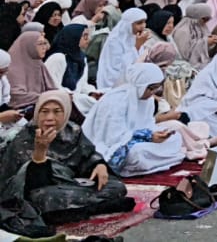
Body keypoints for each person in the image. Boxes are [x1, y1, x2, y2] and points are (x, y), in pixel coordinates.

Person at [0, 89, 134, 228]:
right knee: (44, 199)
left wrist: (99, 165)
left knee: (116, 186)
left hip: (73, 185)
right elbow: (28, 184)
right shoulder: (25, 137)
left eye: (57, 112)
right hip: (42, 191)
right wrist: (40, 151)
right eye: (44, 111)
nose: (50, 117)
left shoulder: (73, 131)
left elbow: (87, 155)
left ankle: (77, 209)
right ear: (37, 113)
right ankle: (99, 207)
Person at [82, 62, 188, 177]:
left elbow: (148, 125)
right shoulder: (116, 101)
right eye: (151, 88)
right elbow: (112, 138)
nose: (152, 93)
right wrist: (147, 136)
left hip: (139, 141)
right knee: (137, 153)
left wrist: (157, 134)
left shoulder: (148, 101)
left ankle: (153, 162)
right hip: (115, 146)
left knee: (175, 138)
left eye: (156, 89)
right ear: (141, 84)